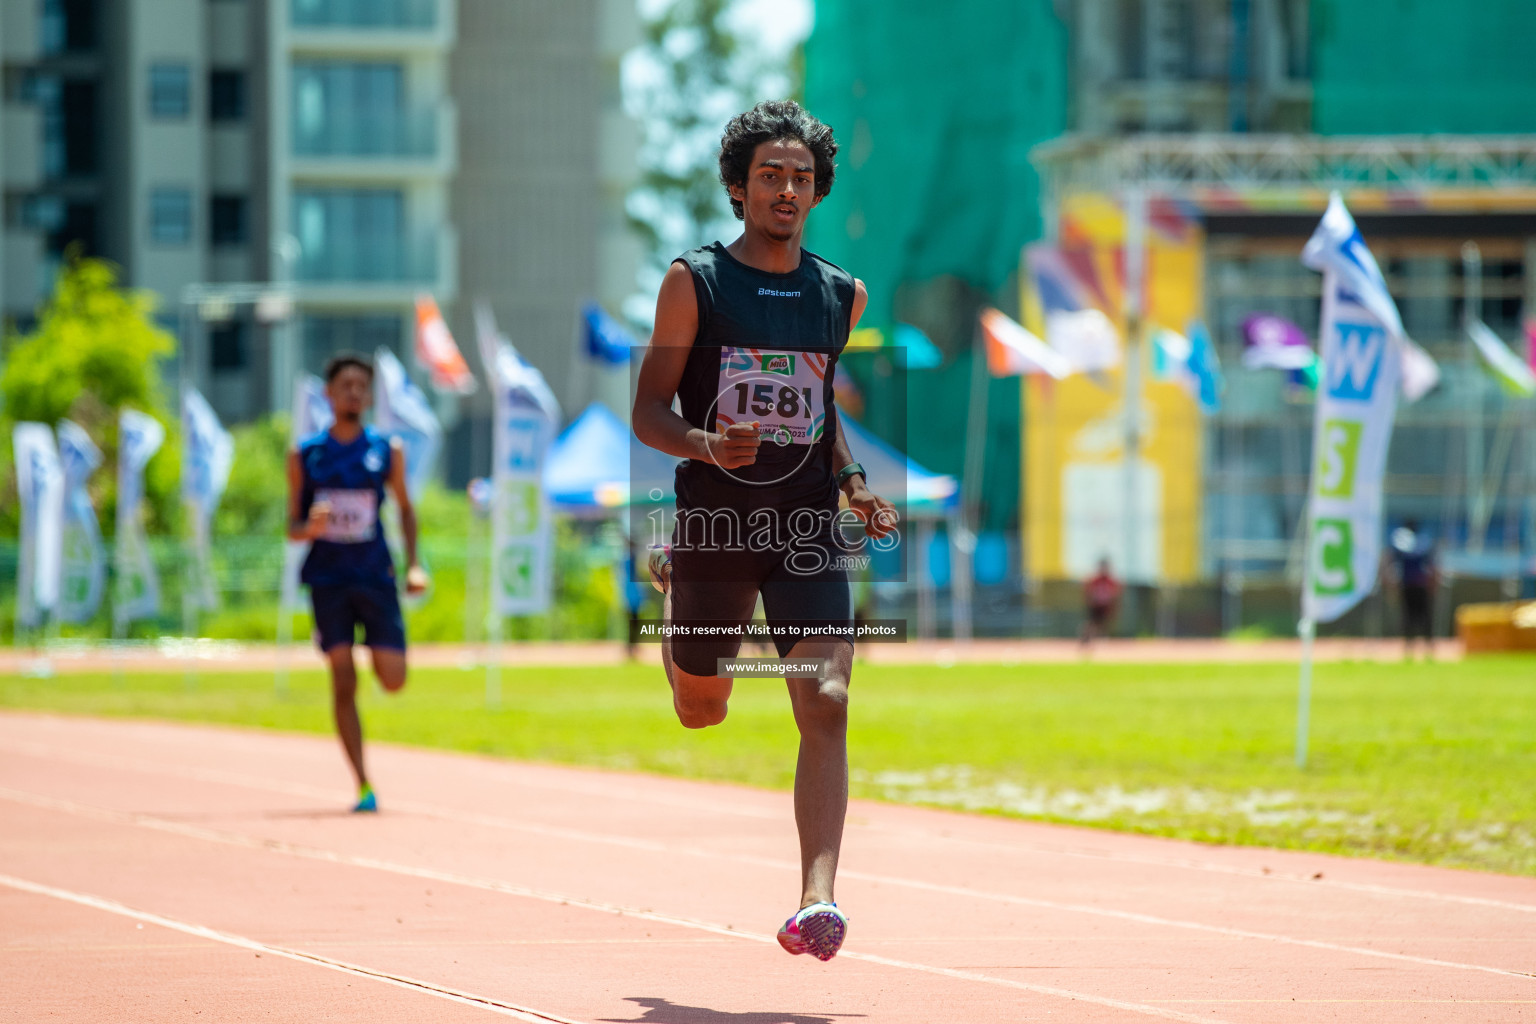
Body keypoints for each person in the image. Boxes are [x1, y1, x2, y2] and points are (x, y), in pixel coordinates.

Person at [632, 100, 895, 963]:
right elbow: (646, 411)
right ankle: (677, 597)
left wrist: (853, 485)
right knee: (701, 709)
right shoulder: (695, 283)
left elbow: (819, 413)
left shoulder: (838, 293)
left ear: (817, 193)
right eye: (771, 177)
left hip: (807, 525)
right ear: (739, 189)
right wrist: (708, 442)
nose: (787, 190)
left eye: (802, 179)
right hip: (714, 520)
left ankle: (817, 900)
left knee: (826, 699)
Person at [286, 353, 429, 812]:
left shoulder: (388, 449)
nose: (353, 392)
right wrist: (308, 527)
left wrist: (413, 564)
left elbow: (405, 508)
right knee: (342, 681)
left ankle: (365, 644)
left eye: (360, 386)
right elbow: (290, 525)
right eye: (344, 385)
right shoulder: (306, 454)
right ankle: (363, 783)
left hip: (375, 574)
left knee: (393, 680)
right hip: (328, 578)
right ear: (327, 395)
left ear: (368, 396)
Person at [1390, 519, 1437, 660]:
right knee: (1421, 617)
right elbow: (1431, 565)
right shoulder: (1423, 542)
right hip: (1419, 584)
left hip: (1409, 585)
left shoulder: (1400, 542)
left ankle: (1411, 648)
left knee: (1411, 617)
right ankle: (1425, 648)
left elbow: (1391, 561)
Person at [1081, 557, 1121, 648]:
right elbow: (1088, 592)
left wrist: (1114, 606)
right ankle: (1087, 638)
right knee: (1092, 623)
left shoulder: (1110, 581)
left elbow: (1114, 595)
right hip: (1096, 605)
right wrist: (1089, 602)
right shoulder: (1095, 580)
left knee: (1101, 623)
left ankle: (1094, 638)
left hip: (1104, 605)